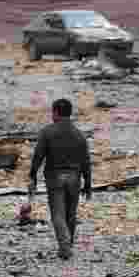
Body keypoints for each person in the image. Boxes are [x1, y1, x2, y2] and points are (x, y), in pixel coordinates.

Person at [28, 98, 92, 259]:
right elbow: (86, 161)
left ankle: (64, 247)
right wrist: (88, 183)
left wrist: (33, 175)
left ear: (56, 112)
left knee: (58, 214)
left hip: (55, 177)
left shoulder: (47, 132)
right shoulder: (79, 135)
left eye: (52, 112)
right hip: (74, 178)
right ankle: (67, 245)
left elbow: (38, 156)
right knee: (70, 214)